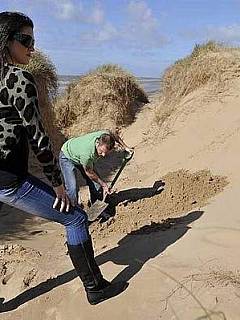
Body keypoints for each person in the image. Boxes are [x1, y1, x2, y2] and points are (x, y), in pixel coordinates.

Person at [0, 11, 128, 305]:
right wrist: (57, 184)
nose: (32, 47)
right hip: (8, 178)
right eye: (26, 40)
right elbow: (38, 137)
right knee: (76, 218)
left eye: (33, 40)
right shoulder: (17, 79)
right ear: (6, 41)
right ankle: (95, 287)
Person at [59, 130, 133, 212]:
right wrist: (104, 185)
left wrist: (125, 147)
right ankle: (74, 213)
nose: (103, 155)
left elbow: (112, 134)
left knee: (96, 185)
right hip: (67, 156)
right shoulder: (87, 154)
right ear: (98, 143)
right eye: (101, 151)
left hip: (79, 154)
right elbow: (89, 172)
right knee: (72, 188)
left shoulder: (105, 136)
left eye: (106, 152)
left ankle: (95, 206)